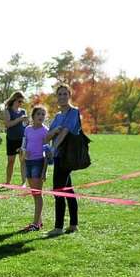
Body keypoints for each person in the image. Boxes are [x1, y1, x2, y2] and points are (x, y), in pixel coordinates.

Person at [46, 85, 84, 236]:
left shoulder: (74, 112)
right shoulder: (57, 116)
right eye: (59, 94)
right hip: (58, 156)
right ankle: (73, 224)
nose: (62, 97)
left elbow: (65, 132)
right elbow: (49, 134)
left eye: (64, 94)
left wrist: (53, 147)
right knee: (68, 190)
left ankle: (58, 227)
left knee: (58, 190)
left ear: (69, 95)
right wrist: (53, 133)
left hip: (67, 156)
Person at [20, 105, 51, 232]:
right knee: (34, 193)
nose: (41, 116)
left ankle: (35, 224)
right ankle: (39, 221)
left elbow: (47, 153)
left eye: (43, 114)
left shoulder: (45, 131)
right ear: (33, 116)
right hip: (28, 162)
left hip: (39, 163)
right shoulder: (27, 129)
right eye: (38, 114)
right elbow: (24, 145)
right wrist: (24, 152)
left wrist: (44, 171)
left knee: (38, 194)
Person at [1, 92, 27, 187]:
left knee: (23, 161)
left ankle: (23, 182)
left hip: (22, 139)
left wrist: (27, 122)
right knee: (11, 161)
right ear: (14, 100)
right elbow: (7, 124)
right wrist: (19, 119)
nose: (21, 103)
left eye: (22, 102)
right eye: (19, 101)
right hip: (11, 139)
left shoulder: (23, 111)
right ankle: (8, 182)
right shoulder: (8, 110)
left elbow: (25, 125)